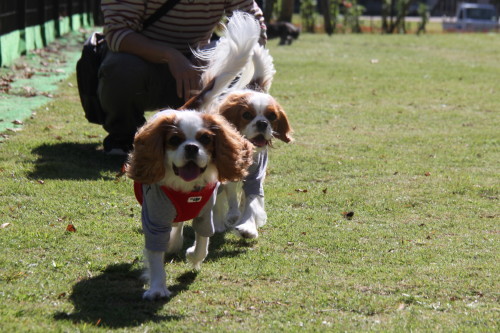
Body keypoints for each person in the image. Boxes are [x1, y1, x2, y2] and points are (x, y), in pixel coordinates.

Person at [99, 0, 267, 155]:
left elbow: (254, 30)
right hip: (142, 65)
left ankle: (222, 141)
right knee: (120, 68)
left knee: (237, 63)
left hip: (197, 71)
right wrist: (170, 56)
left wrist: (213, 52)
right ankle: (124, 137)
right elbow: (117, 33)